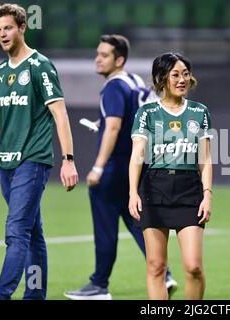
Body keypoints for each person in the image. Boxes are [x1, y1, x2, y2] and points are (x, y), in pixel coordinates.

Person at [0, 3, 79, 300]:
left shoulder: (40, 66)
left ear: (22, 28)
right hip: (6, 163)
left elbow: (60, 114)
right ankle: (35, 295)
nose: (3, 34)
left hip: (33, 161)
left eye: (8, 28)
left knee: (16, 231)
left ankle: (0, 295)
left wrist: (68, 160)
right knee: (32, 233)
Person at [64, 35, 177, 300]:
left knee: (105, 225)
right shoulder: (136, 81)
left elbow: (114, 126)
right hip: (138, 167)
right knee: (137, 221)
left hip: (115, 168)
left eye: (104, 55)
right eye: (98, 53)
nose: (98, 58)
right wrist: (104, 124)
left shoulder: (114, 86)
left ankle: (98, 286)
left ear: (120, 60)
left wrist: (98, 168)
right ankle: (165, 274)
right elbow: (134, 119)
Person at [129, 53, 213, 300]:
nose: (182, 79)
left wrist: (207, 195)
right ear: (161, 78)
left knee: (194, 267)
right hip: (154, 189)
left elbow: (205, 159)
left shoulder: (200, 112)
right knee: (156, 266)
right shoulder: (147, 112)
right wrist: (133, 192)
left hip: (189, 191)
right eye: (175, 74)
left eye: (185, 74)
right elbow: (137, 155)